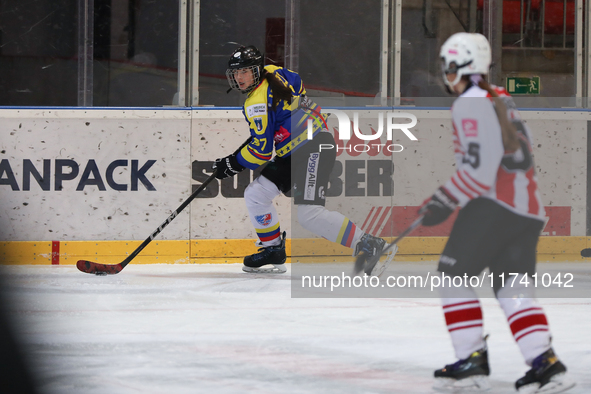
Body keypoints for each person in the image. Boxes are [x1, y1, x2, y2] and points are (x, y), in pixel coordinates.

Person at [419, 33, 574, 393]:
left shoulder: (469, 104)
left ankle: (471, 360)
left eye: (447, 65)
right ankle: (546, 364)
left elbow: (480, 170)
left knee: (452, 275)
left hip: (495, 206)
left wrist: (444, 198)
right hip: (528, 210)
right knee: (511, 286)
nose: (445, 73)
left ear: (457, 65)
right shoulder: (501, 97)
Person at [213, 45, 394, 274]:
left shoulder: (256, 103)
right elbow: (297, 84)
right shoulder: (273, 71)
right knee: (256, 194)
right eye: (236, 73)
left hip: (313, 147)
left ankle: (370, 244)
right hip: (296, 149)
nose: (239, 78)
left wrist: (231, 164)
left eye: (244, 71)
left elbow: (261, 151)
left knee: (310, 215)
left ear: (256, 70)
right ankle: (273, 249)